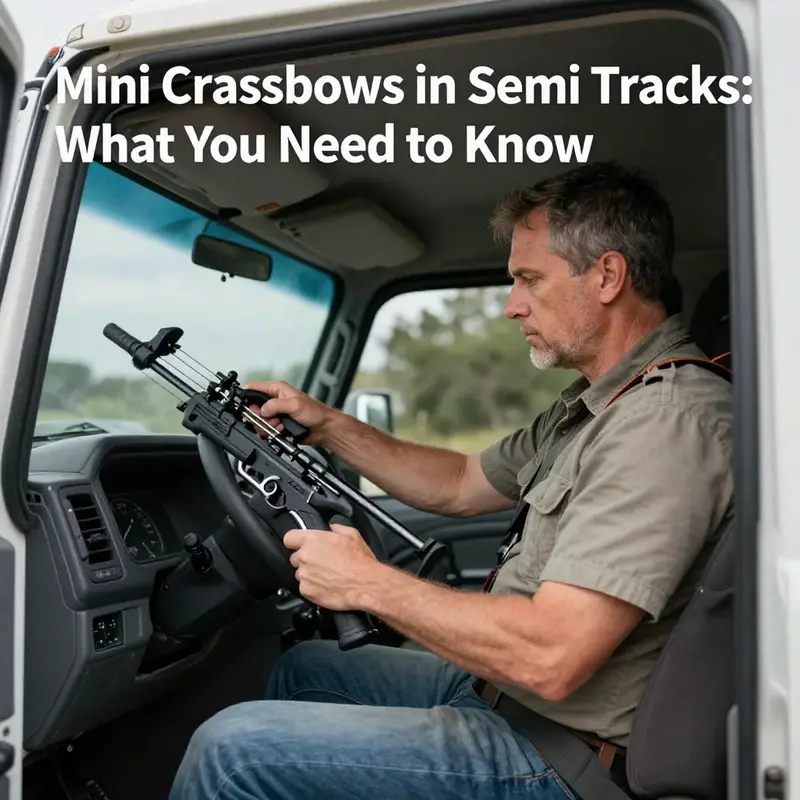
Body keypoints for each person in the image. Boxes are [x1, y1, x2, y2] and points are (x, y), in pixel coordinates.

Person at [168, 162, 733, 800]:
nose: (512, 305)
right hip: (505, 699)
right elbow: (461, 481)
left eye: (528, 279)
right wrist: (325, 424)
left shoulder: (665, 422)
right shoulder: (600, 406)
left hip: (561, 758)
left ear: (607, 275)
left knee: (232, 752)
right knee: (306, 668)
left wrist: (367, 582)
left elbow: (551, 656)